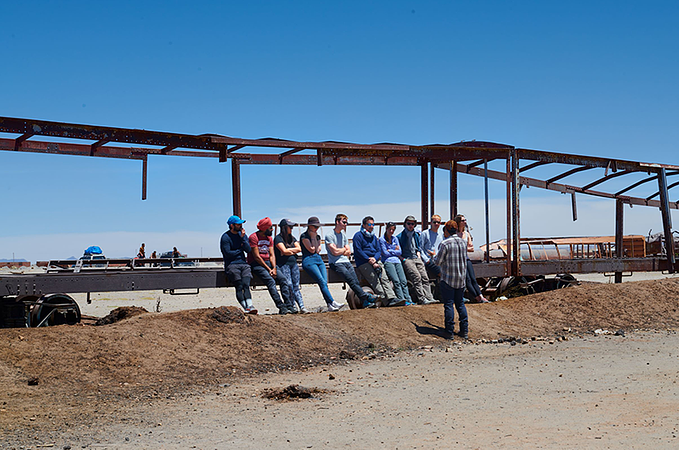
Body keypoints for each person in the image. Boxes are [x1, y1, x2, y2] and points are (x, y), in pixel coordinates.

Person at [325, 214, 377, 309]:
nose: (346, 224)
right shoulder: (329, 235)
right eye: (344, 222)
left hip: (346, 261)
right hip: (335, 263)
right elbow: (334, 252)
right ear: (337, 222)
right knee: (350, 280)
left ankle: (365, 302)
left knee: (356, 281)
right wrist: (342, 250)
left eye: (346, 222)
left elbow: (348, 252)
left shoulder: (343, 235)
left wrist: (341, 251)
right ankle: (366, 297)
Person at [353, 216, 404, 307]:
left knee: (384, 278)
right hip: (363, 262)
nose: (371, 226)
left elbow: (378, 250)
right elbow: (358, 250)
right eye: (369, 224)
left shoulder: (373, 237)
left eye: (373, 224)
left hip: (375, 260)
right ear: (364, 225)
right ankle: (386, 300)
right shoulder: (358, 236)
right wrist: (369, 259)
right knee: (375, 280)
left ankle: (392, 298)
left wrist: (375, 259)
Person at [248, 217, 295, 315]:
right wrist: (269, 269)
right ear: (264, 228)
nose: (272, 229)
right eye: (270, 228)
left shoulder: (269, 238)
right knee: (270, 282)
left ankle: (289, 304)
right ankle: (281, 306)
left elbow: (272, 254)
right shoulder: (253, 237)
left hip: (269, 264)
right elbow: (256, 257)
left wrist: (274, 268)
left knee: (283, 280)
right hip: (258, 265)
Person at [300, 216, 345, 312]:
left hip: (318, 259)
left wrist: (315, 239)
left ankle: (329, 304)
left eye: (318, 226)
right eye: (315, 226)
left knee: (324, 282)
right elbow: (312, 250)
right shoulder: (304, 236)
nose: (316, 228)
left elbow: (318, 250)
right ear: (309, 226)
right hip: (308, 260)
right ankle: (332, 302)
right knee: (321, 280)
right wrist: (312, 237)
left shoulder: (318, 236)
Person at [435, 220, 469, 340]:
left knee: (448, 304)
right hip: (460, 278)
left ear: (447, 230)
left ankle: (449, 331)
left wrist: (434, 255)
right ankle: (464, 330)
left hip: (448, 278)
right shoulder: (463, 242)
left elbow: (437, 261)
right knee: (460, 304)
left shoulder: (445, 244)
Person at [220, 215, 257, 314]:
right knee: (239, 286)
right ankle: (245, 307)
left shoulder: (242, 236)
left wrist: (243, 240)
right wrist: (240, 250)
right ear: (232, 225)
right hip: (232, 265)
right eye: (238, 224)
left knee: (246, 284)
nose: (241, 226)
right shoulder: (225, 237)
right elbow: (227, 253)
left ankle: (250, 306)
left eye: (241, 224)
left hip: (243, 264)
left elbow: (248, 250)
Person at [397, 215, 436, 305]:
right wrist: (403, 260)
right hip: (407, 259)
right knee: (417, 277)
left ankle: (429, 297)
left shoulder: (416, 235)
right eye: (409, 223)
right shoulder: (400, 237)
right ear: (405, 224)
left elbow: (418, 247)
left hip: (416, 258)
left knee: (425, 278)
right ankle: (422, 299)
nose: (410, 225)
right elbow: (397, 251)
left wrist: (418, 256)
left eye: (412, 224)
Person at [274, 218, 308, 313]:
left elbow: (299, 249)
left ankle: (301, 306)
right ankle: (292, 305)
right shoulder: (278, 238)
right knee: (289, 284)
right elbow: (283, 251)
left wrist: (288, 251)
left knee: (296, 285)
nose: (291, 228)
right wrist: (290, 250)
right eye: (290, 226)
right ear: (284, 227)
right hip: (283, 264)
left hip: (293, 264)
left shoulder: (292, 238)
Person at [455, 214, 489, 303]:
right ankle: (477, 298)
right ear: (458, 222)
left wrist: (462, 247)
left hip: (466, 258)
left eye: (465, 220)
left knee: (473, 279)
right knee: (467, 280)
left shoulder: (466, 234)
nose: (465, 222)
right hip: (458, 260)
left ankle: (481, 296)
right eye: (462, 220)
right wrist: (465, 247)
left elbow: (472, 248)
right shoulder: (455, 234)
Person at [379, 222, 413, 305]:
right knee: (396, 281)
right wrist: (395, 250)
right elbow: (384, 253)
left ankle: (408, 299)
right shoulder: (382, 239)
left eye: (393, 229)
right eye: (390, 229)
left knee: (403, 281)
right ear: (386, 229)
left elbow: (399, 252)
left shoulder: (395, 239)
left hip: (397, 261)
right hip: (388, 262)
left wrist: (390, 250)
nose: (391, 231)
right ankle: (402, 299)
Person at [421, 214, 443, 279]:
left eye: (438, 222)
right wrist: (426, 259)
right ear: (431, 223)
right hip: (429, 260)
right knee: (442, 274)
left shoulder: (441, 235)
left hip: (439, 259)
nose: (436, 224)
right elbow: (420, 248)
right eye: (434, 222)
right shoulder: (425, 233)